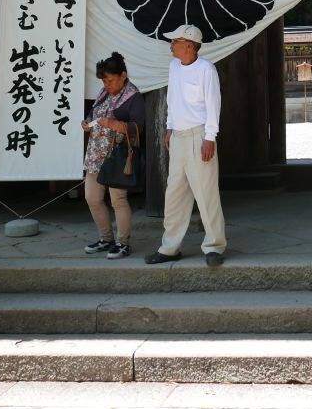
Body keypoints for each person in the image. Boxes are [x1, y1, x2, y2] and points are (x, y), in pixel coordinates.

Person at [146, 24, 227, 267]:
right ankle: (170, 247)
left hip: (199, 135)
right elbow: (172, 100)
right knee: (174, 194)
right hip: (179, 137)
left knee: (206, 193)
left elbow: (214, 105)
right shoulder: (174, 67)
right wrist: (169, 127)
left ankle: (214, 246)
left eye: (176, 41)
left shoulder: (206, 69)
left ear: (189, 45)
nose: (171, 44)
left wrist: (210, 137)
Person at [82, 52, 144, 259]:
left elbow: (138, 127)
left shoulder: (133, 96)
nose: (107, 84)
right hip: (95, 155)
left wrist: (116, 124)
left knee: (118, 199)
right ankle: (106, 238)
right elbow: (93, 114)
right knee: (92, 198)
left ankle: (123, 243)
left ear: (123, 75)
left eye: (111, 79)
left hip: (117, 156)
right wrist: (87, 122)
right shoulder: (103, 93)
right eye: (104, 80)